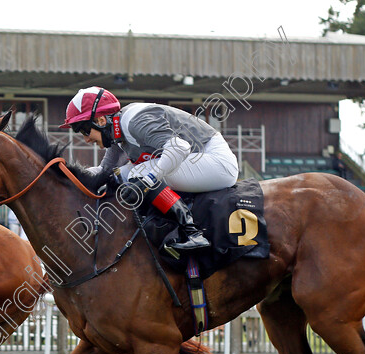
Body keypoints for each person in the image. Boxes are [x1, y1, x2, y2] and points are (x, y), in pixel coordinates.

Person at [61, 86, 239, 253]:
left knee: (138, 173)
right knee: (120, 175)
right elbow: (104, 172)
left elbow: (180, 148)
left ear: (100, 120)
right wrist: (67, 174)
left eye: (84, 131)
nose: (86, 140)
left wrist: (147, 181)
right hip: (198, 159)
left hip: (216, 162)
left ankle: (192, 232)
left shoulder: (133, 122)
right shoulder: (116, 131)